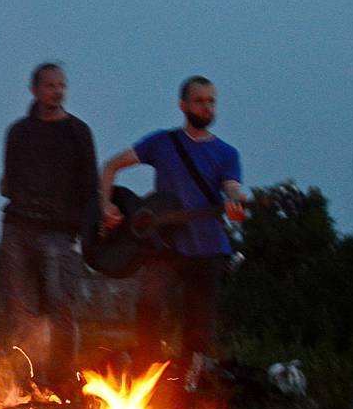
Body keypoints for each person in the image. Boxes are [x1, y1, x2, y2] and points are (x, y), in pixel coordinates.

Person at [98, 76, 245, 378]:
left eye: (211, 101)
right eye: (199, 101)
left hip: (208, 251)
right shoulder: (162, 143)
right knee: (148, 310)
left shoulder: (227, 154)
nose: (206, 107)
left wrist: (236, 203)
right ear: (183, 105)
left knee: (197, 328)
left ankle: (187, 392)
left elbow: (232, 188)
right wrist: (106, 206)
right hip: (164, 246)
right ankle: (145, 378)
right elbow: (111, 166)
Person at [0, 63, 97, 398]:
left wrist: (82, 234)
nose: (57, 91)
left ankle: (62, 381)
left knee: (62, 310)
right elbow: (10, 180)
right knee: (21, 311)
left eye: (61, 85)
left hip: (59, 232)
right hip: (19, 227)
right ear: (35, 90)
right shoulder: (19, 132)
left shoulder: (77, 132)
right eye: (50, 85)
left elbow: (89, 186)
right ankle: (27, 382)